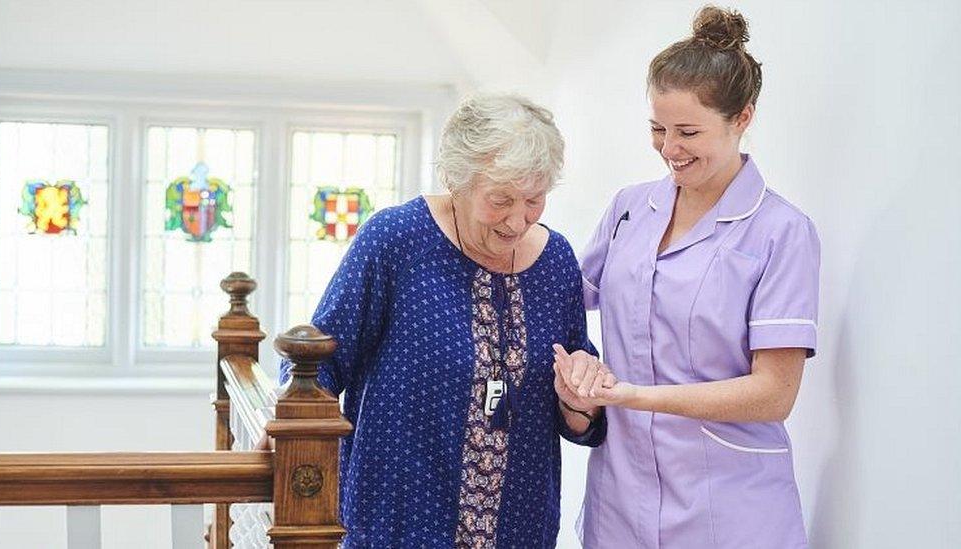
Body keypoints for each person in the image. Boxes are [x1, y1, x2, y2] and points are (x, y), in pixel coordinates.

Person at [280, 93, 606, 548]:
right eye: (500, 200)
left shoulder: (556, 262)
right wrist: (289, 433)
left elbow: (578, 405)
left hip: (520, 527)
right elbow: (321, 362)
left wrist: (579, 402)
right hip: (398, 523)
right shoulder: (397, 240)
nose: (518, 220)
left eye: (534, 199)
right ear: (457, 180)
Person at [552, 6, 820, 548]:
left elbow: (773, 394)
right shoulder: (630, 209)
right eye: (657, 128)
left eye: (688, 131)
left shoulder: (780, 232)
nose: (669, 148)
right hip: (621, 503)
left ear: (743, 117)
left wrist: (631, 395)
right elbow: (562, 301)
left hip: (731, 510)